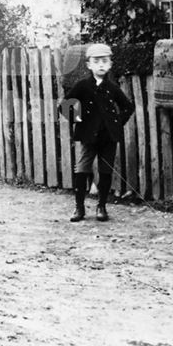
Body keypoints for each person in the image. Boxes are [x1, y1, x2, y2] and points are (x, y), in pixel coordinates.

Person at [62, 43, 135, 222]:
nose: (101, 65)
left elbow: (128, 107)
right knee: (82, 169)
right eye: (96, 61)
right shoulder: (82, 86)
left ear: (110, 64)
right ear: (89, 65)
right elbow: (65, 106)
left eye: (104, 61)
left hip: (108, 137)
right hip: (88, 136)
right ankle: (79, 208)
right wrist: (79, 121)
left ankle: (101, 206)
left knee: (105, 171)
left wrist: (117, 123)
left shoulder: (112, 88)